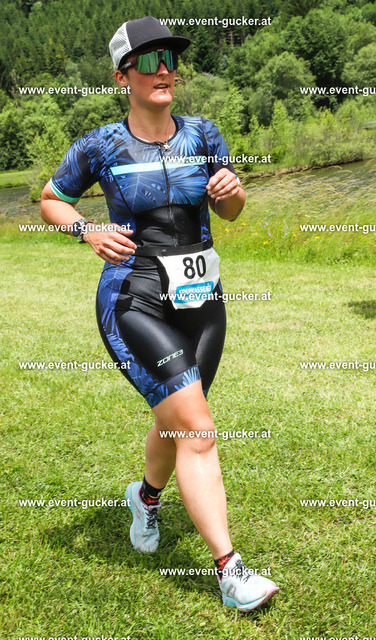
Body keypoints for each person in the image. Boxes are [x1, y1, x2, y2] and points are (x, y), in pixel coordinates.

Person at [40, 16, 278, 611]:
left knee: (179, 418)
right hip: (134, 297)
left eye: (170, 58)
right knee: (196, 426)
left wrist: (234, 194)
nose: (164, 69)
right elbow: (51, 199)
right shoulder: (100, 144)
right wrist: (88, 230)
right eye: (148, 61)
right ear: (123, 76)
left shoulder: (204, 133)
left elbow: (230, 211)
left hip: (202, 299)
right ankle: (230, 572)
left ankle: (145, 498)